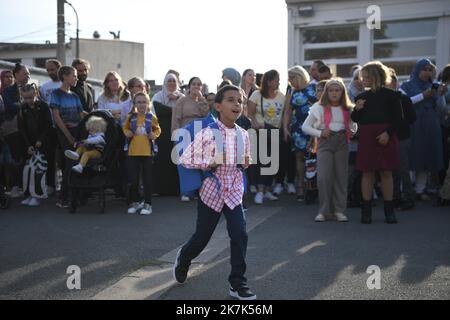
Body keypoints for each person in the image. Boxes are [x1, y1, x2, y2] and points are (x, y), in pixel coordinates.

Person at [173, 85, 255, 300]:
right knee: (202, 238)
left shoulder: (243, 134)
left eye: (240, 100)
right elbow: (185, 159)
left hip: (234, 191)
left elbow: (244, 160)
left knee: (239, 234)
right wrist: (208, 163)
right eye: (230, 100)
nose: (237, 104)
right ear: (218, 106)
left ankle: (237, 283)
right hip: (212, 192)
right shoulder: (208, 132)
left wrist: (246, 162)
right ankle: (184, 257)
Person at [351, 61, 403, 224]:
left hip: (386, 136)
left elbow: (399, 119)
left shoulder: (392, 95)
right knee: (367, 173)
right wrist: (357, 109)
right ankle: (366, 212)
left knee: (386, 173)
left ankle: (389, 211)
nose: (362, 80)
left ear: (376, 77)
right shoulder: (360, 97)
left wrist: (387, 133)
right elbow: (355, 119)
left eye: (365, 77)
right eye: (361, 77)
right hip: (367, 137)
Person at [302, 78, 354, 222]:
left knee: (341, 177)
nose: (334, 93)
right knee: (324, 177)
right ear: (327, 92)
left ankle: (339, 210)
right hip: (325, 141)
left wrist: (353, 130)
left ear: (342, 92)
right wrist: (320, 133)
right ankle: (324, 211)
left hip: (342, 142)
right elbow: (305, 127)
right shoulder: (318, 107)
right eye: (331, 90)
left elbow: (353, 125)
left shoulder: (348, 108)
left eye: (337, 90)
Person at [400, 58, 446, 201]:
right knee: (410, 156)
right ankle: (405, 189)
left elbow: (441, 109)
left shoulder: (433, 85)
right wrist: (423, 96)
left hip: (430, 124)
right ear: (417, 70)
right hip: (413, 124)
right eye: (424, 69)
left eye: (429, 70)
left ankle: (420, 190)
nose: (426, 72)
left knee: (426, 157)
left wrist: (441, 95)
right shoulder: (406, 85)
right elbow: (404, 102)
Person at [49, 66, 87, 208]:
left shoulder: (75, 96)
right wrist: (69, 136)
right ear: (65, 76)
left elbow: (81, 114)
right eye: (74, 75)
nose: (76, 78)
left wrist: (101, 113)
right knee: (70, 163)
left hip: (77, 132)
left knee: (77, 163)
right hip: (64, 132)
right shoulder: (56, 94)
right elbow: (57, 118)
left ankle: (76, 196)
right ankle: (63, 197)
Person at [247, 70, 285, 204]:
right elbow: (249, 113)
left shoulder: (281, 96)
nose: (278, 82)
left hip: (276, 131)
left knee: (273, 162)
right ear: (268, 81)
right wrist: (256, 123)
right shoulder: (256, 94)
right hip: (261, 130)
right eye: (276, 79)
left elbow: (285, 114)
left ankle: (267, 190)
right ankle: (260, 191)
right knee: (263, 161)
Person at [123, 92, 161, 215]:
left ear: (148, 103)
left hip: (147, 153)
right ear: (134, 104)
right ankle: (135, 201)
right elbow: (125, 128)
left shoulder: (151, 117)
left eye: (144, 102)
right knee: (133, 179)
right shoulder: (131, 117)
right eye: (138, 102)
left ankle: (148, 203)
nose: (141, 104)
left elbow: (158, 129)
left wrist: (153, 135)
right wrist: (127, 132)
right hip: (133, 152)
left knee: (147, 179)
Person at [283, 66, 317, 201]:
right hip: (298, 128)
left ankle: (313, 187)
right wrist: (285, 128)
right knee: (299, 156)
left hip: (314, 127)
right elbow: (287, 111)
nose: (290, 81)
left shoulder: (313, 89)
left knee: (313, 157)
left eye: (292, 78)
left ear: (299, 76)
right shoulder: (291, 91)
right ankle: (301, 187)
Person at [18, 84, 53, 206]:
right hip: (29, 144)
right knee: (27, 169)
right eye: (25, 98)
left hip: (43, 143)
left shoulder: (43, 106)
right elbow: (21, 128)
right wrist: (28, 145)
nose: (28, 101)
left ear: (36, 94)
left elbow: (48, 124)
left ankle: (37, 196)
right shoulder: (23, 108)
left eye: (30, 97)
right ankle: (28, 194)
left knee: (38, 170)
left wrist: (41, 140)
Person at [386, 68, 416, 211]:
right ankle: (395, 197)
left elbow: (412, 118)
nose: (389, 84)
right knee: (392, 170)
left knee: (403, 169)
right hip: (389, 137)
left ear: (396, 83)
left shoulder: (403, 98)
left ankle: (408, 198)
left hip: (402, 137)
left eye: (392, 81)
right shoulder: (384, 99)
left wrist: (400, 121)